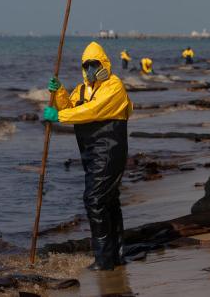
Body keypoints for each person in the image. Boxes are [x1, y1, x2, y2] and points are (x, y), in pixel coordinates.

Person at [44, 41, 133, 271]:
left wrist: (59, 118)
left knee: (94, 200)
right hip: (90, 153)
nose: (90, 69)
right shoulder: (82, 89)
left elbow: (92, 111)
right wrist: (59, 91)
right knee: (108, 200)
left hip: (110, 150)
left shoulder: (114, 87)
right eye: (87, 65)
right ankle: (116, 256)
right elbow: (70, 107)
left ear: (103, 64)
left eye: (94, 64)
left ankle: (104, 260)